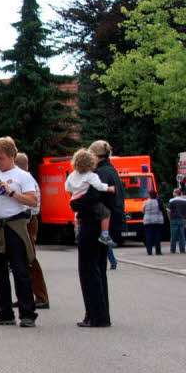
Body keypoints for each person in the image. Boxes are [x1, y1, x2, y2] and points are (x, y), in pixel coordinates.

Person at [0, 137, 39, 328]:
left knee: (20, 270)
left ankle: (27, 313)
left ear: (12, 156)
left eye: (2, 158)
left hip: (15, 226)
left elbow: (32, 201)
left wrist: (10, 192)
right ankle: (4, 312)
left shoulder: (23, 176)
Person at [77, 140, 120, 328]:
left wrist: (75, 205)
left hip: (93, 224)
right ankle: (101, 314)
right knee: (99, 270)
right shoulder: (112, 171)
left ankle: (96, 316)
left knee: (88, 271)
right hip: (106, 225)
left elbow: (92, 199)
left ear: (94, 156)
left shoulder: (97, 174)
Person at [14, 152, 49, 309]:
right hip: (29, 221)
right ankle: (27, 296)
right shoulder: (29, 180)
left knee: (30, 259)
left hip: (27, 222)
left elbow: (29, 206)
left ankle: (41, 297)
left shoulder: (26, 181)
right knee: (23, 261)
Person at [64, 149, 117, 246]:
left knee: (78, 215)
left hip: (74, 202)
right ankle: (105, 235)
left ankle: (78, 230)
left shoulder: (72, 175)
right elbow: (99, 186)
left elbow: (67, 188)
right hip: (87, 201)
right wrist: (109, 188)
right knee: (106, 213)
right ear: (91, 163)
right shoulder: (91, 176)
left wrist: (74, 192)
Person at [90, 140, 125, 271]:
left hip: (103, 222)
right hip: (113, 220)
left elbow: (96, 197)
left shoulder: (101, 173)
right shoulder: (111, 170)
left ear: (95, 155)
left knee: (97, 268)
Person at [142, 189, 164, 256]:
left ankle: (149, 251)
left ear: (150, 195)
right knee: (157, 236)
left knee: (149, 236)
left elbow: (143, 210)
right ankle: (158, 251)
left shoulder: (146, 202)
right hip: (158, 220)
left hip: (148, 221)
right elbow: (162, 210)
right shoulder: (159, 202)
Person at [168, 188, 186, 253]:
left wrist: (169, 218)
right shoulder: (184, 200)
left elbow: (169, 211)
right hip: (182, 219)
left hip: (174, 219)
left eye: (173, 192)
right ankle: (182, 249)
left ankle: (173, 250)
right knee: (182, 235)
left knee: (173, 235)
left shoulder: (171, 200)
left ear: (176, 193)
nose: (173, 193)